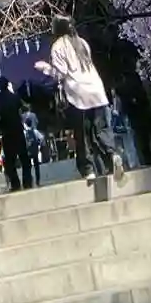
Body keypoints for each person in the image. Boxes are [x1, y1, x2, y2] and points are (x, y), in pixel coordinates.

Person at [39, 16, 119, 181]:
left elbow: (61, 74)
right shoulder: (82, 42)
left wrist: (45, 68)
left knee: (82, 133)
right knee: (101, 130)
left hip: (79, 95)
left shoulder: (58, 46)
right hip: (97, 91)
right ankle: (112, 156)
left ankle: (88, 169)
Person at [0, 75, 33, 192]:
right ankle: (27, 182)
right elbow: (24, 107)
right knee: (24, 158)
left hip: (6, 133)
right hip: (18, 131)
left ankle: (15, 184)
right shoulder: (15, 97)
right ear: (7, 84)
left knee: (10, 162)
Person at [20, 101, 44, 186]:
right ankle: (38, 180)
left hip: (27, 147)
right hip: (34, 145)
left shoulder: (22, 116)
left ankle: (29, 180)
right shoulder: (33, 115)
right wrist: (40, 144)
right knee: (36, 164)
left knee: (27, 165)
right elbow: (41, 137)